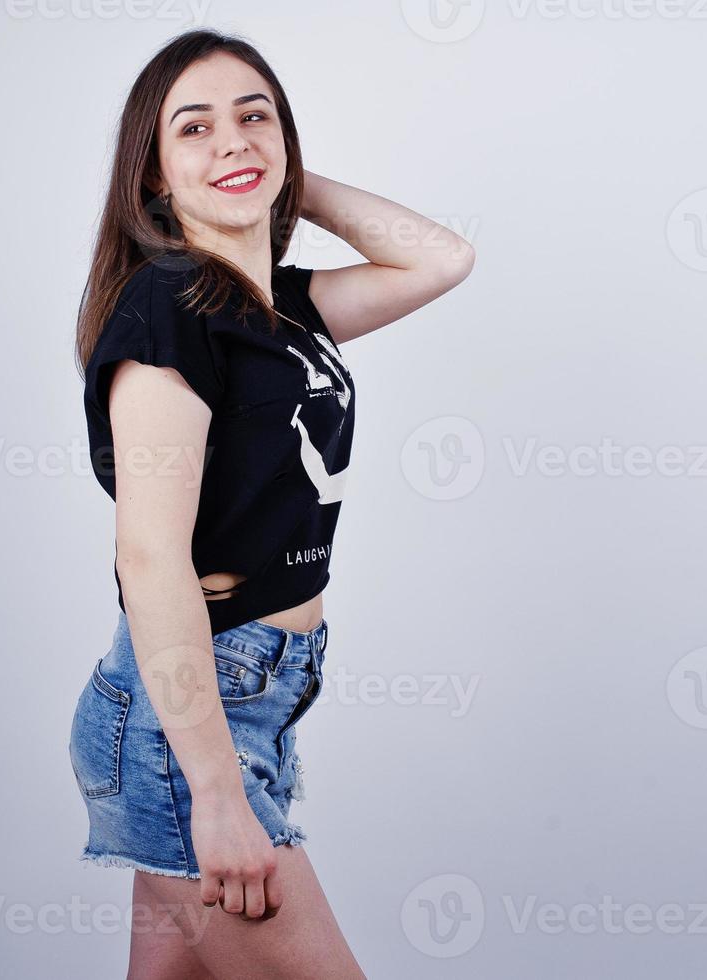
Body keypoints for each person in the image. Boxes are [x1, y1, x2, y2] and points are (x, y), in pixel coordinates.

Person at [69, 27, 474, 979]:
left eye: (254, 118)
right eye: (194, 129)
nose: (231, 141)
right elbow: (149, 558)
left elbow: (439, 259)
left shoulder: (278, 307)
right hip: (192, 718)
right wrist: (213, 789)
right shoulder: (168, 307)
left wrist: (275, 171)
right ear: (154, 177)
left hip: (250, 703)